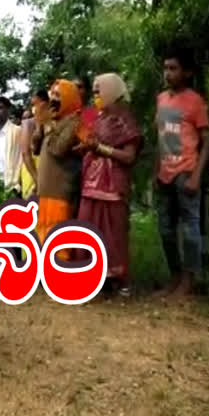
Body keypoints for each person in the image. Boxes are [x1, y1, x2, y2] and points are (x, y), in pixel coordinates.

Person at [75, 74, 142, 296]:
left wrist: (100, 149)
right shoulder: (90, 115)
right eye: (93, 91)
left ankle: (117, 279)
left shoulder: (125, 119)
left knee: (114, 231)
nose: (95, 95)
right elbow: (80, 137)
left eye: (98, 90)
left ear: (112, 91)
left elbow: (129, 157)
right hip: (90, 180)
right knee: (87, 225)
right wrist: (85, 146)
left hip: (113, 183)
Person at [155, 47, 209, 298]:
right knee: (165, 229)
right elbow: (161, 135)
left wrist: (197, 175)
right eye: (166, 68)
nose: (168, 73)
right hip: (165, 171)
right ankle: (175, 276)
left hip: (186, 171)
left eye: (173, 68)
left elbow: (207, 139)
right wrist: (158, 167)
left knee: (190, 228)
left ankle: (189, 281)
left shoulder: (195, 101)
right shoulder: (161, 99)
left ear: (186, 72)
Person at [31, 79, 83, 258]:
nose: (53, 99)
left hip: (61, 192)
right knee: (43, 238)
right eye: (51, 94)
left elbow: (58, 149)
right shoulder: (52, 120)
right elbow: (36, 150)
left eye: (58, 95)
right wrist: (39, 126)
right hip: (45, 192)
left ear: (68, 98)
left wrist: (48, 124)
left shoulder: (74, 120)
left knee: (59, 241)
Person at [20, 90, 49, 199]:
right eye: (32, 105)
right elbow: (25, 154)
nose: (34, 108)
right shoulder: (27, 124)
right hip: (32, 172)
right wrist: (37, 181)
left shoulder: (52, 123)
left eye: (35, 104)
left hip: (48, 171)